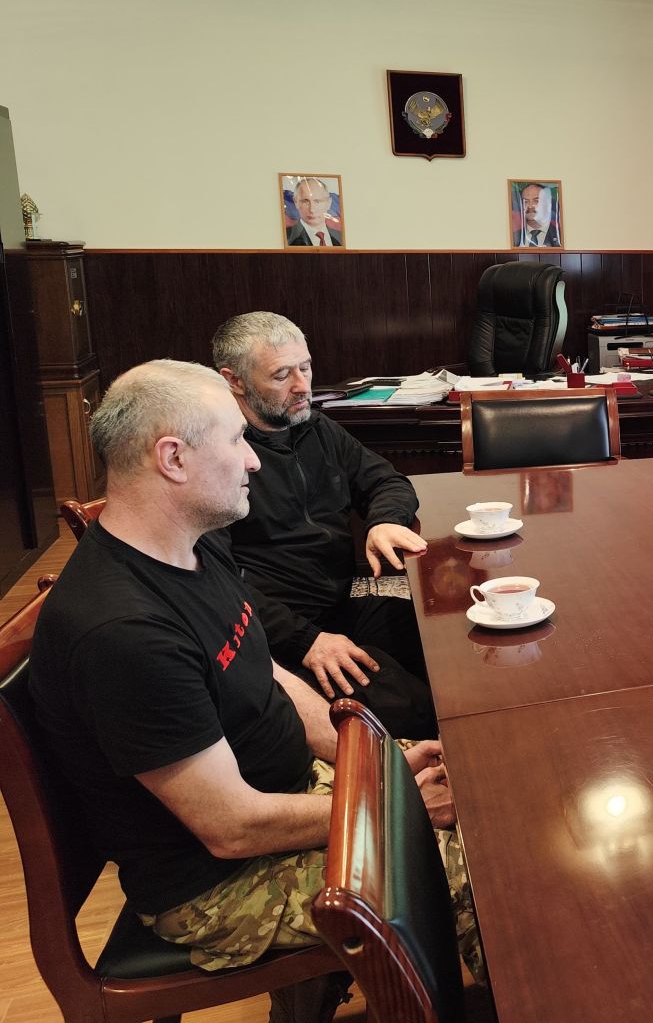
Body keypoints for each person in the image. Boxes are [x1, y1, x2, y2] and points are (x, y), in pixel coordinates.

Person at [27, 360, 481, 988]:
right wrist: (393, 804)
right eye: (237, 440)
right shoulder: (123, 633)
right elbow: (230, 828)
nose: (253, 461)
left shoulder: (193, 544)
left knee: (481, 793)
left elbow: (266, 672)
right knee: (486, 867)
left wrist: (382, 760)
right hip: (216, 885)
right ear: (173, 458)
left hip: (286, 793)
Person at [213, 311, 436, 739]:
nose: (302, 385)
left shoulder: (315, 427)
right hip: (277, 634)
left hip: (339, 605)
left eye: (306, 367)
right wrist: (306, 641)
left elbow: (387, 481)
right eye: (282, 375)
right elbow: (215, 585)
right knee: (415, 708)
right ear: (234, 380)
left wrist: (383, 522)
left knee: (449, 641)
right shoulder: (219, 457)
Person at [284, 178, 342, 247]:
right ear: (296, 202)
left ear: (329, 203)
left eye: (317, 201)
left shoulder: (341, 237)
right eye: (305, 201)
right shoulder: (286, 236)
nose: (312, 209)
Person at [514, 182, 561, 248]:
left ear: (548, 203)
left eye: (536, 201)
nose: (530, 206)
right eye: (526, 201)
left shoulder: (560, 235)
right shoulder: (514, 237)